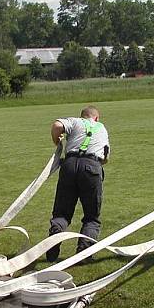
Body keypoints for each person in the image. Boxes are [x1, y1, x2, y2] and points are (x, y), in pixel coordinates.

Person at [46, 106, 110, 262]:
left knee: (62, 213)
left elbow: (57, 126)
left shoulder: (75, 122)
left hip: (69, 165)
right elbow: (106, 158)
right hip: (92, 167)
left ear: (82, 116)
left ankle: (53, 245)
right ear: (96, 118)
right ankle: (84, 253)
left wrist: (57, 141)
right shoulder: (102, 128)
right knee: (91, 216)